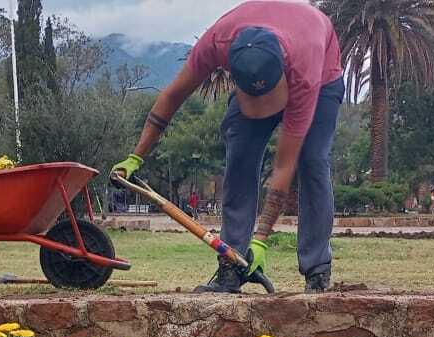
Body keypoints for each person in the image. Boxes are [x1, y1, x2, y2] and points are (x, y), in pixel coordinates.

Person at [112, 0, 344, 293]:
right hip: (275, 56)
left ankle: (317, 270)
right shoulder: (216, 43)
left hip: (322, 78)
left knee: (311, 161)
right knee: (240, 153)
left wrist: (261, 239)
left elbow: (285, 165)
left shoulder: (304, 71)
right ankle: (231, 264)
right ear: (232, 71)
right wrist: (135, 157)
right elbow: (171, 97)